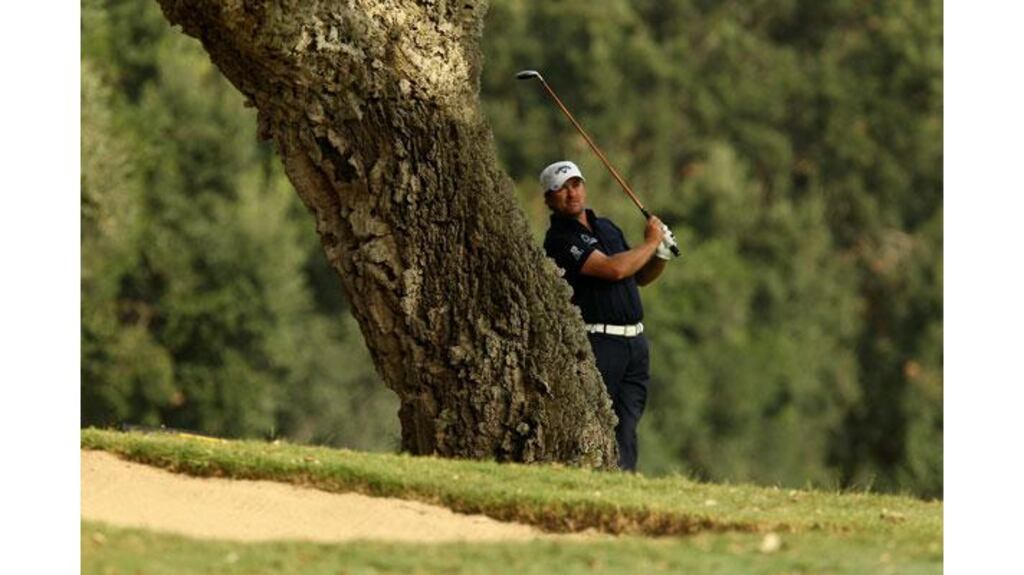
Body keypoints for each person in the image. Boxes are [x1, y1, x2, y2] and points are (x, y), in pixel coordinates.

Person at [540, 160, 677, 472]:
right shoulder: (560, 240)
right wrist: (651, 241)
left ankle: (623, 482)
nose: (570, 193)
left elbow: (638, 276)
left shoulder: (608, 227)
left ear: (584, 186)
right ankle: (589, 479)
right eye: (560, 189)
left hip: (635, 344)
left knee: (627, 425)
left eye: (575, 184)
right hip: (599, 342)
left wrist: (661, 254)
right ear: (549, 199)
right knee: (595, 421)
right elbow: (613, 269)